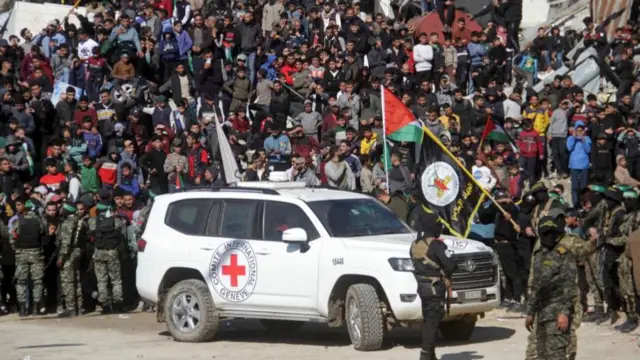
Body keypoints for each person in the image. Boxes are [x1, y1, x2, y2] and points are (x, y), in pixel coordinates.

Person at [525, 216, 577, 360]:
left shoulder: (564, 255)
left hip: (557, 313)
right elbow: (536, 286)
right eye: (545, 234)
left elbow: (569, 286)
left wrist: (564, 313)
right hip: (542, 313)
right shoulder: (538, 255)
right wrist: (531, 312)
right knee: (542, 355)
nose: (549, 237)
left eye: (551, 233)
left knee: (557, 355)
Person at [410, 212, 454, 360]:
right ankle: (426, 354)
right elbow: (450, 265)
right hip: (435, 288)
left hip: (423, 287)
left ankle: (431, 355)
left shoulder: (416, 244)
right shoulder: (436, 245)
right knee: (432, 322)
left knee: (429, 320)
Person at [88, 202, 127, 314]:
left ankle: (105, 305)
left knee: (101, 280)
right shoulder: (116, 221)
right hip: (112, 253)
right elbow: (121, 229)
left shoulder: (92, 221)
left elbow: (89, 232)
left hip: (99, 253)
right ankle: (118, 304)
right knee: (116, 280)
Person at [10, 196, 46, 317]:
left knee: (21, 282)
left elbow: (12, 238)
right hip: (36, 253)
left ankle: (22, 309)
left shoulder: (18, 221)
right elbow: (43, 232)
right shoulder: (39, 220)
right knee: (37, 281)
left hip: (22, 254)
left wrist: (17, 250)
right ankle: (36, 308)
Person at [56, 201, 86, 317]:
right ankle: (79, 307)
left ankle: (71, 308)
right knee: (76, 280)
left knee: (68, 281)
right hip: (77, 252)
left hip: (69, 254)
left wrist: (61, 257)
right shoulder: (78, 220)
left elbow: (66, 242)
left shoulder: (68, 222)